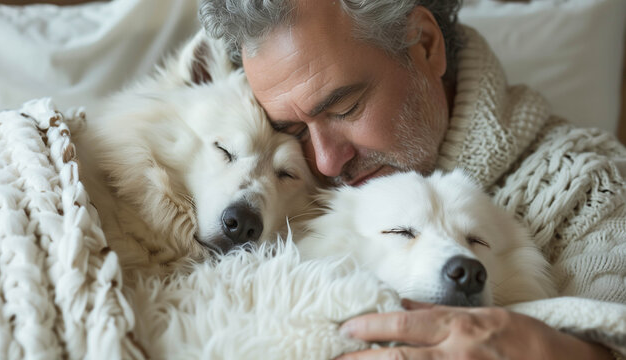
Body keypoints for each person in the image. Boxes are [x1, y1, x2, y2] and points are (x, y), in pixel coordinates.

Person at [199, 0, 626, 359]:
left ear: (424, 44)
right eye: (294, 130)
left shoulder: (589, 183)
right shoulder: (265, 174)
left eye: (345, 108)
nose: (326, 163)